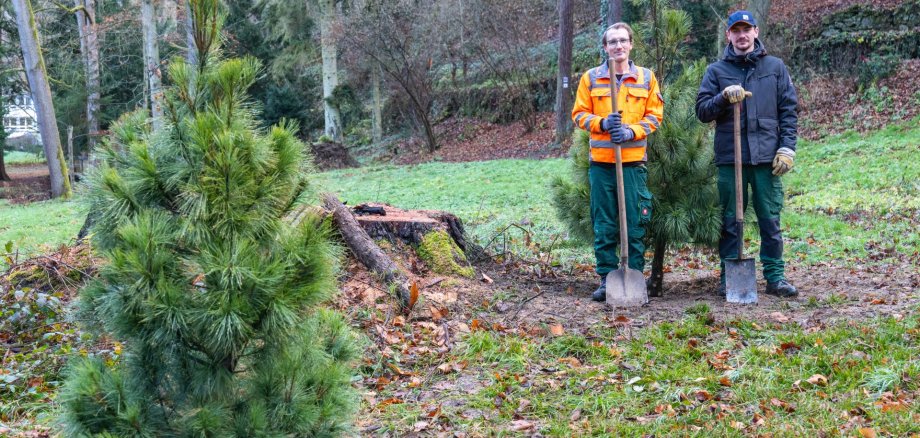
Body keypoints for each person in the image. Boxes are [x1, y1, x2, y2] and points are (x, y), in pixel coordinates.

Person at [695, 10, 799, 298]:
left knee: (769, 218)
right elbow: (702, 111)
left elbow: (788, 111)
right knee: (731, 219)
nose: (742, 36)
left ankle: (775, 277)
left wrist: (787, 147)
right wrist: (723, 98)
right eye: (736, 31)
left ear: (756, 31)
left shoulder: (775, 68)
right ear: (728, 35)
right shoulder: (716, 71)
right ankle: (730, 276)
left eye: (747, 30)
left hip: (767, 159)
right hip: (731, 158)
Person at [572, 22, 664, 302]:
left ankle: (634, 275)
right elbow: (578, 114)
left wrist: (630, 130)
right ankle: (606, 278)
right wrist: (601, 123)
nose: (618, 46)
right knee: (605, 224)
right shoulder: (591, 78)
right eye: (612, 42)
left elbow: (655, 116)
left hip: (633, 162)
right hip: (602, 163)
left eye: (623, 41)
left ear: (631, 44)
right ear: (605, 47)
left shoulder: (646, 78)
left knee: (635, 223)